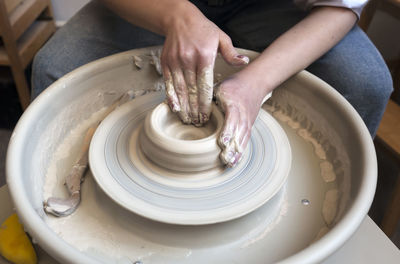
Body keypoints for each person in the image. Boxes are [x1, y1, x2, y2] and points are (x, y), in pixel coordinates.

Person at [32, 0, 393, 167]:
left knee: (363, 83)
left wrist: (254, 83)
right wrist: (177, 15)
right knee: (55, 69)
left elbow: (339, 6)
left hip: (275, 6)